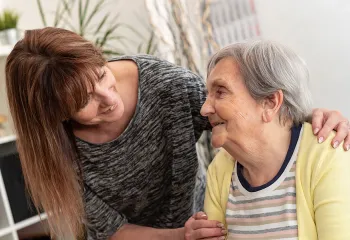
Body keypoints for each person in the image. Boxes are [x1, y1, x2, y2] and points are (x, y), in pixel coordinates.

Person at [5, 27, 350, 240]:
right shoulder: (58, 150)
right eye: (85, 101)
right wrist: (180, 236)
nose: (108, 99)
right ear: (57, 116)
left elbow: (243, 111)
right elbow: (112, 229)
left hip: (200, 223)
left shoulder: (165, 85)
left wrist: (312, 116)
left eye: (100, 76)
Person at [195, 41, 350, 240]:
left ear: (270, 102)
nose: (205, 109)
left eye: (221, 92)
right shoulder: (221, 169)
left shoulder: (327, 155)